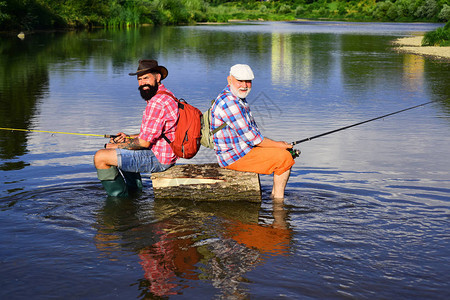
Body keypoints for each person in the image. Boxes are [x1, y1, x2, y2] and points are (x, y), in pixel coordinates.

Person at [94, 59, 179, 197]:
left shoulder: (157, 102)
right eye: (139, 79)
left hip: (160, 158)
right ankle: (135, 191)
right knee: (114, 146)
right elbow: (153, 134)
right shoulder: (165, 95)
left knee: (100, 157)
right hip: (164, 152)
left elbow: (144, 143)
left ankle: (120, 199)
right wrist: (127, 138)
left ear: (157, 77)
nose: (142, 83)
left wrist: (120, 145)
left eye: (146, 78)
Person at [211, 64, 295, 200]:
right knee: (284, 158)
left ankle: (274, 195)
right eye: (240, 81)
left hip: (241, 150)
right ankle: (278, 203)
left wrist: (279, 146)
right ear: (229, 79)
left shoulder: (236, 98)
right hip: (234, 156)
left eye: (248, 81)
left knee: (284, 154)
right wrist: (279, 145)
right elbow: (253, 139)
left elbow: (251, 134)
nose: (244, 85)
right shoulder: (230, 103)